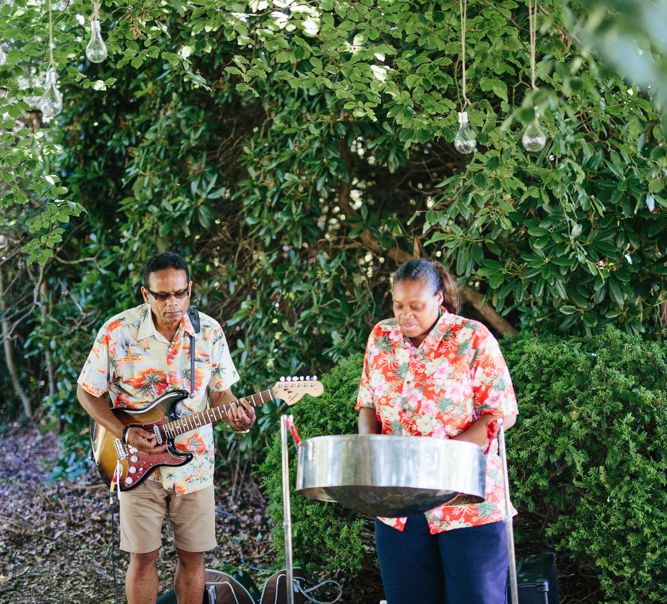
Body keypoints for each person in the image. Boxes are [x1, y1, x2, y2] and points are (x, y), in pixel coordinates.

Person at [77, 251, 255, 604]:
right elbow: (87, 392)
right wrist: (124, 432)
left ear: (190, 290)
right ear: (146, 295)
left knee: (194, 556)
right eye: (162, 295)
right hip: (134, 462)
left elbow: (220, 393)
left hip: (195, 464)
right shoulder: (117, 331)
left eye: (180, 293)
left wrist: (236, 415)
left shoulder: (210, 332)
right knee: (143, 558)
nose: (172, 302)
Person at [356, 258, 518, 604]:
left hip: (467, 501)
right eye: (398, 305)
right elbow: (368, 402)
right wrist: (368, 449)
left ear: (439, 298)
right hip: (399, 500)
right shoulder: (382, 338)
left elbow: (501, 413)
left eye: (417, 306)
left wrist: (443, 459)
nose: (405, 315)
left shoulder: (471, 337)